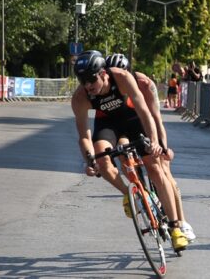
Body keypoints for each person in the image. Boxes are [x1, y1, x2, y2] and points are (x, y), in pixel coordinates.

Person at [71, 50, 189, 251]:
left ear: (103, 73)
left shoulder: (122, 77)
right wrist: (89, 160)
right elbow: (85, 136)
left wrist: (154, 141)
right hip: (108, 123)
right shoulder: (81, 96)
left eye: (91, 79)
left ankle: (176, 227)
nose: (88, 86)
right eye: (83, 81)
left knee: (155, 168)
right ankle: (130, 194)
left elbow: (145, 112)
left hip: (133, 119)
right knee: (103, 162)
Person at [104, 53, 196, 241]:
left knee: (163, 170)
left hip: (147, 127)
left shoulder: (145, 85)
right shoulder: (108, 87)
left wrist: (161, 146)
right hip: (126, 127)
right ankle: (139, 192)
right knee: (123, 153)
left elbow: (156, 119)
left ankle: (181, 222)